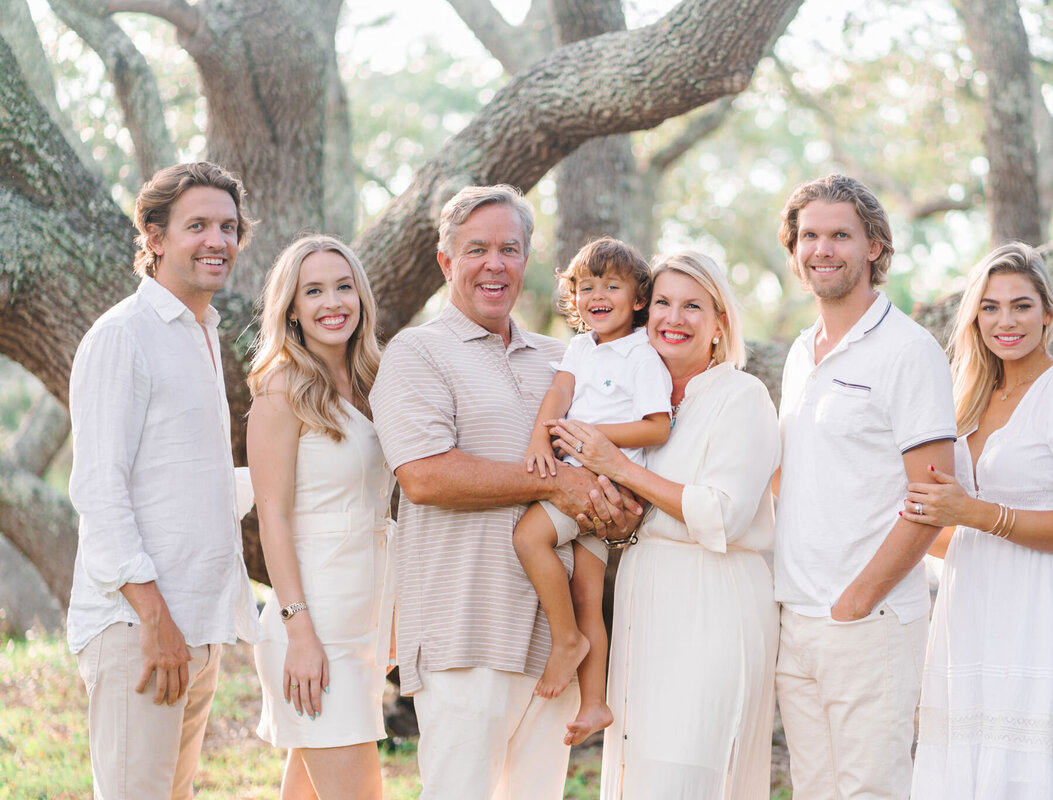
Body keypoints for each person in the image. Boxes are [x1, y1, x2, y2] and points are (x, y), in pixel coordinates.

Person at [369, 184, 637, 800]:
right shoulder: (416, 353)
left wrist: (613, 506)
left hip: (556, 643)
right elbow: (425, 476)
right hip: (465, 632)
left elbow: (612, 466)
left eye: (510, 249)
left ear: (527, 261)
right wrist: (561, 483)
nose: (495, 264)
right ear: (446, 263)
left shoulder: (565, 359)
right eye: (477, 249)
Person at [550, 250, 781, 799]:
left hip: (714, 600)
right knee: (642, 768)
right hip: (646, 593)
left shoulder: (741, 397)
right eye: (663, 303)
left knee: (691, 766)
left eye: (693, 306)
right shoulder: (636, 399)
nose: (674, 318)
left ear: (720, 325)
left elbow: (723, 512)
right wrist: (618, 521)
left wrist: (618, 465)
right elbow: (639, 515)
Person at [66, 161, 261, 799]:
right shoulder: (125, 336)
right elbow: (100, 488)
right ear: (153, 237)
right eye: (197, 225)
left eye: (228, 227)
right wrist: (154, 618)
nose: (218, 241)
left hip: (197, 625)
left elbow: (194, 486)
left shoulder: (203, 334)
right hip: (139, 627)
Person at [905, 242, 1053, 798]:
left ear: (1048, 311)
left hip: (1037, 608)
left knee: (1018, 773)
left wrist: (973, 511)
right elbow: (956, 533)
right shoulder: (964, 400)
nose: (1006, 321)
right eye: (990, 307)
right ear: (975, 317)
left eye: (1021, 305)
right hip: (968, 603)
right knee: (960, 768)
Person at [772, 174, 957, 799]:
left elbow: (932, 498)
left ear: (873, 246)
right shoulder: (802, 352)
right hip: (795, 617)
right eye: (810, 236)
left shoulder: (909, 351)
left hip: (868, 621)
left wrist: (857, 599)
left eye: (840, 236)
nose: (822, 249)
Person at [246, 235, 392, 799]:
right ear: (292, 308)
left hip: (365, 620)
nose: (332, 302)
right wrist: (299, 629)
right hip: (313, 627)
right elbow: (274, 519)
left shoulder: (377, 379)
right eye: (314, 291)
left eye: (343, 286)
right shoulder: (280, 389)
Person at [513, 237, 671, 737]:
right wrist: (542, 433)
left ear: (639, 299)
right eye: (585, 286)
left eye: (611, 285)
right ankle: (595, 704)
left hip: (606, 483)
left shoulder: (642, 354)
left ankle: (565, 641)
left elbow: (656, 427)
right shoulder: (581, 347)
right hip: (585, 477)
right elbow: (559, 391)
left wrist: (591, 439)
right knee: (587, 596)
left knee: (528, 538)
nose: (596, 294)